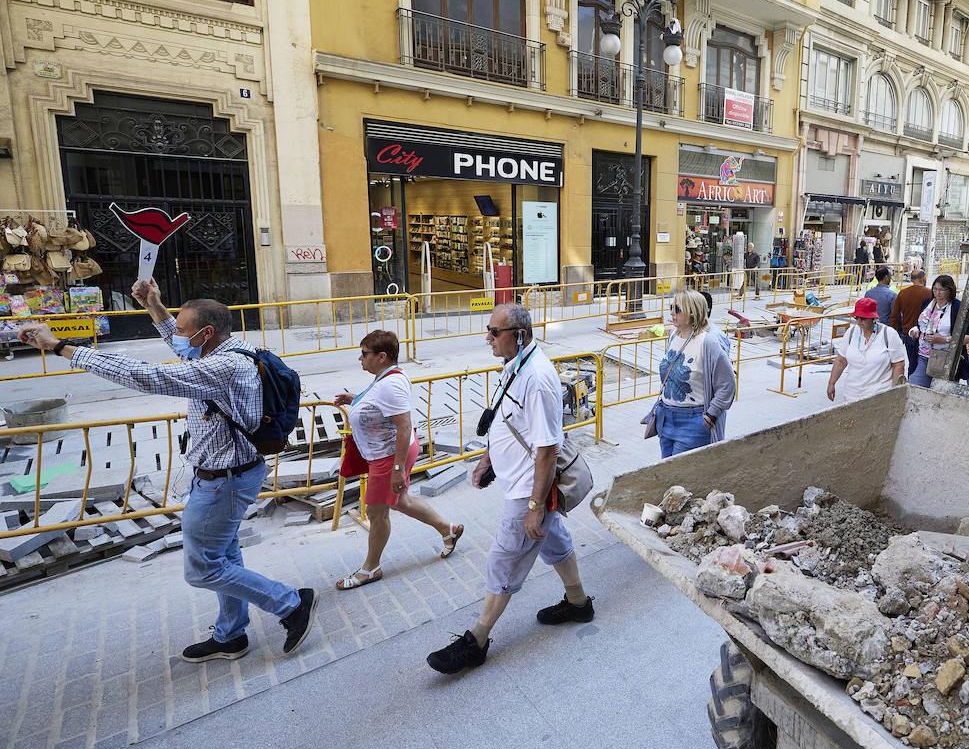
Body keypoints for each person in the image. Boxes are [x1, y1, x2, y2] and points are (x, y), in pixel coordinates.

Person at [16, 279, 316, 663]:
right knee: (223, 557)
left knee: (203, 571)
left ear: (205, 334)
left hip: (224, 481)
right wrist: (155, 306)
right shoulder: (227, 349)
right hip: (227, 474)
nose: (176, 334)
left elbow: (150, 375)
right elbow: (183, 351)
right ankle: (230, 635)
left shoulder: (222, 366)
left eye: (181, 327)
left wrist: (60, 347)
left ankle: (291, 604)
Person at [427, 303, 592, 675]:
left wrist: (535, 505)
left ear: (518, 336)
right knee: (555, 540)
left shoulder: (537, 377)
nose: (487, 338)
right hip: (518, 479)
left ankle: (478, 639)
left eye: (494, 332)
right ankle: (579, 604)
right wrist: (489, 459)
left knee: (505, 558)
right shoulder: (515, 365)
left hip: (528, 489)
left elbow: (548, 448)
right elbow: (507, 419)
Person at [333, 330, 464, 590]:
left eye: (364, 354)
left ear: (382, 357)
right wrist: (356, 399)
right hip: (386, 453)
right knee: (400, 501)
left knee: (377, 512)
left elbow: (404, 427)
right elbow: (379, 402)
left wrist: (397, 470)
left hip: (388, 456)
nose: (360, 359)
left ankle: (371, 568)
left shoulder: (391, 385)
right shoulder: (386, 377)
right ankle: (447, 529)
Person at [652, 290, 736, 458]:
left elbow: (727, 384)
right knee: (668, 474)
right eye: (671, 307)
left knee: (680, 476)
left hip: (692, 422)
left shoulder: (708, 343)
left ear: (692, 312)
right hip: (666, 420)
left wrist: (710, 416)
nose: (671, 312)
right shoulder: (673, 336)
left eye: (677, 309)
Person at [826, 297, 905, 403]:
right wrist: (831, 383)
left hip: (878, 396)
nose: (859, 322)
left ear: (873, 318)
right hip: (851, 395)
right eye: (856, 318)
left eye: (863, 318)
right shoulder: (851, 332)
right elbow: (841, 360)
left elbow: (898, 365)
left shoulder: (889, 334)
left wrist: (895, 393)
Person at [908, 274, 961, 388]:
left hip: (943, 357)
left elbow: (967, 336)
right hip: (922, 354)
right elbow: (921, 323)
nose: (937, 293)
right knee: (915, 386)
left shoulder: (957, 306)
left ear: (950, 290)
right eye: (935, 289)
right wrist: (915, 330)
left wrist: (944, 340)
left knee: (940, 392)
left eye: (941, 290)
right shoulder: (928, 301)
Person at [890, 269, 931, 375]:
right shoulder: (929, 293)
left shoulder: (903, 293)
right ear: (923, 279)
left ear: (912, 279)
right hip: (924, 333)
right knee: (923, 363)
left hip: (907, 332)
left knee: (912, 362)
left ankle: (912, 381)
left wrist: (894, 333)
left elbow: (894, 315)